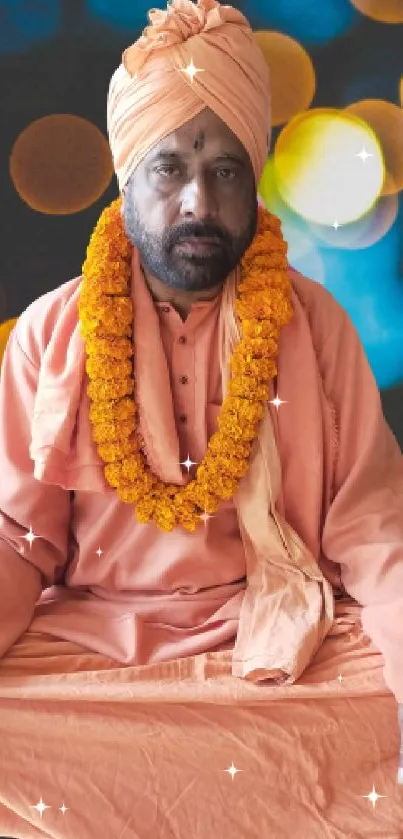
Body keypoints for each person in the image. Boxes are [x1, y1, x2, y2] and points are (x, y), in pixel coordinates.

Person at [0, 0, 402, 715]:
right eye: (168, 169)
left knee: (375, 709)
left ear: (252, 182)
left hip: (283, 637)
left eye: (224, 171)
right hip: (92, 645)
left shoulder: (315, 326)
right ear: (126, 183)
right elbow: (16, 540)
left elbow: (373, 528)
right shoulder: (50, 332)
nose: (199, 201)